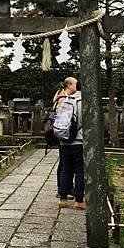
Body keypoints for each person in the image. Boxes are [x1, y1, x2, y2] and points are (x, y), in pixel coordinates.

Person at [53, 76, 85, 209]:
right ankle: (78, 200)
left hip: (64, 141)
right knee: (80, 171)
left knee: (66, 169)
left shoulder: (64, 100)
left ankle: (63, 198)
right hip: (79, 141)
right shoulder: (82, 101)